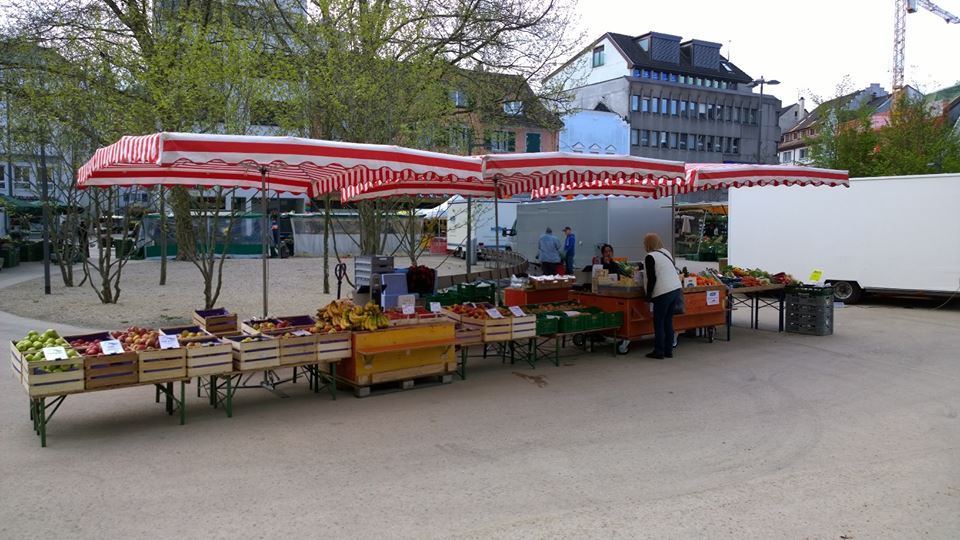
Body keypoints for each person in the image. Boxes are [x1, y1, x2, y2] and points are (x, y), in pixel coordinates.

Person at [642, 233, 683, 359]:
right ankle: (668, 350)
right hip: (675, 289)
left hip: (663, 292)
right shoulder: (665, 252)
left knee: (659, 322)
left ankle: (659, 351)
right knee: (668, 321)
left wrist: (648, 295)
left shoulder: (649, 257)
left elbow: (652, 278)